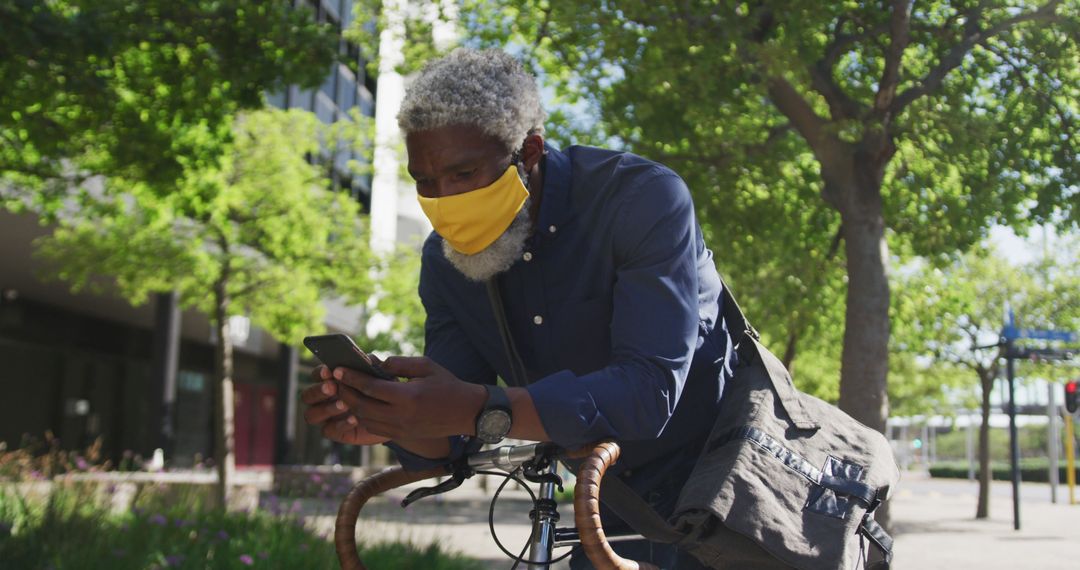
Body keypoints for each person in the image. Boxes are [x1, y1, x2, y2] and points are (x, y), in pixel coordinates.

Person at [301, 48, 735, 569]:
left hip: (733, 494)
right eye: (425, 182)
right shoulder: (443, 263)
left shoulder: (641, 199)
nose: (444, 201)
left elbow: (648, 392)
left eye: (463, 174)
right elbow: (458, 422)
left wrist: (479, 408)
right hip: (612, 509)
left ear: (528, 150)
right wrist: (394, 419)